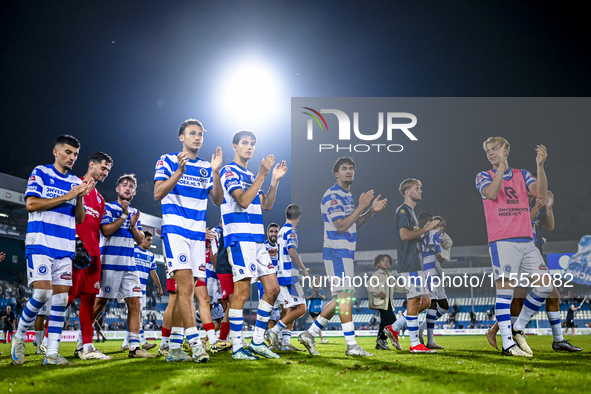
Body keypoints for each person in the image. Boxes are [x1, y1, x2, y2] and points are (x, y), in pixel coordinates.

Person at [12, 135, 95, 366]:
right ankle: (19, 337)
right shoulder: (41, 172)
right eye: (68, 152)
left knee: (59, 301)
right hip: (40, 242)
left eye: (75, 154)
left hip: (65, 247)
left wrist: (78, 198)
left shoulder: (75, 182)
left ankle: (51, 354)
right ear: (55, 152)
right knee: (42, 295)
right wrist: (67, 196)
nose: (72, 157)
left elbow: (79, 218)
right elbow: (31, 204)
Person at [299, 156, 387, 357]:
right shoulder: (332, 196)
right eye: (344, 168)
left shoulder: (348, 196)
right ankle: (351, 345)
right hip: (336, 253)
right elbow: (340, 226)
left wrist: (371, 211)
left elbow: (352, 224)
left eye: (351, 168)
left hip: (345, 253)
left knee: (339, 299)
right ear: (336, 174)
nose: (349, 171)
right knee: (346, 297)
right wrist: (361, 207)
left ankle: (309, 334)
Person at [475, 136, 555, 357]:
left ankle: (518, 327)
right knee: (505, 294)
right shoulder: (483, 176)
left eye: (495, 149)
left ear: (506, 149)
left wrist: (540, 165)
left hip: (527, 241)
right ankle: (508, 345)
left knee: (545, 286)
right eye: (488, 150)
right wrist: (501, 166)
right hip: (502, 241)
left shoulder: (522, 174)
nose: (491, 153)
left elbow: (539, 193)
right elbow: (491, 193)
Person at [154, 118, 224, 362]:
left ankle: (174, 349)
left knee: (189, 290)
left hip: (197, 235)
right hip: (175, 231)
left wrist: (215, 172)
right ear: (181, 137)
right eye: (192, 133)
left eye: (200, 134)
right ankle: (195, 344)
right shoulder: (168, 160)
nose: (197, 137)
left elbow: (217, 199)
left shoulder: (206, 166)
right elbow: (158, 193)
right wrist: (179, 173)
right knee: (184, 289)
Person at [220, 129, 287, 360]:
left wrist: (274, 181)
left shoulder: (251, 175)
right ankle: (237, 346)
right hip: (239, 238)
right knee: (242, 292)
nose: (249, 147)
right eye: (245, 143)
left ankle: (258, 341)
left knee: (273, 289)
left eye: (253, 143)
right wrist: (261, 175)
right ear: (235, 146)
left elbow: (266, 205)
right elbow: (243, 200)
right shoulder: (228, 171)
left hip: (257, 239)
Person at [94, 173, 152, 358]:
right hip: (109, 263)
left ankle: (135, 347)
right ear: (118, 189)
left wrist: (133, 225)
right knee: (98, 305)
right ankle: (83, 342)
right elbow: (106, 230)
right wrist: (123, 217)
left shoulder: (135, 212)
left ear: (134, 192)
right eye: (124, 185)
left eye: (131, 186)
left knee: (135, 303)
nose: (127, 188)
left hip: (129, 264)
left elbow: (140, 239)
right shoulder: (108, 207)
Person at [384, 179, 439, 354]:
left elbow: (413, 237)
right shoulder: (403, 210)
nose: (420, 191)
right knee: (414, 300)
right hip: (409, 264)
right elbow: (404, 235)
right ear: (407, 192)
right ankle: (415, 343)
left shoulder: (412, 213)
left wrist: (426, 233)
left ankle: (395, 327)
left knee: (426, 301)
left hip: (416, 263)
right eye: (417, 188)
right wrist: (425, 229)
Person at [69, 152, 114, 360]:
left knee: (89, 301)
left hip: (93, 256)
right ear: (91, 165)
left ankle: (86, 347)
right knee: (66, 298)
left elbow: (98, 230)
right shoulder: (72, 184)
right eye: (103, 168)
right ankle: (44, 341)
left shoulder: (100, 199)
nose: (105, 173)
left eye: (107, 170)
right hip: (73, 251)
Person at [267, 204, 309, 351]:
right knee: (302, 308)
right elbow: (292, 253)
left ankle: (285, 343)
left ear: (286, 215)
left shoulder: (281, 231)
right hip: (289, 275)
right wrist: (304, 269)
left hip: (280, 275)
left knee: (291, 309)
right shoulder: (291, 231)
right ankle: (274, 331)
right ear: (299, 217)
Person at [120, 231, 162, 351]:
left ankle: (125, 344)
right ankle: (142, 341)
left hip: (142, 290)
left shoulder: (150, 255)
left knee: (137, 315)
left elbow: (153, 272)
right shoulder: (133, 251)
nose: (150, 242)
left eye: (151, 241)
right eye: (148, 240)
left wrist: (159, 286)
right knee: (136, 314)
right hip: (131, 288)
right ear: (142, 239)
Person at [416, 212, 450, 350]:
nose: (438, 227)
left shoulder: (431, 235)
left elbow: (440, 254)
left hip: (434, 272)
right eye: (436, 224)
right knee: (431, 304)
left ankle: (420, 329)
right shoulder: (427, 234)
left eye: (441, 225)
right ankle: (430, 340)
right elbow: (440, 252)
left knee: (444, 306)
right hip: (427, 272)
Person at [366, 254, 398, 350]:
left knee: (384, 322)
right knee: (392, 320)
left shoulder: (391, 275)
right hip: (380, 302)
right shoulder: (376, 275)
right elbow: (369, 286)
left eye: (387, 261)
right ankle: (382, 338)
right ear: (378, 263)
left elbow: (397, 287)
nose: (386, 262)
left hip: (388, 302)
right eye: (383, 261)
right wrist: (378, 293)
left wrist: (409, 289)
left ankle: (380, 343)